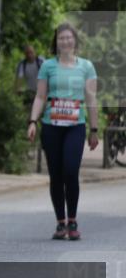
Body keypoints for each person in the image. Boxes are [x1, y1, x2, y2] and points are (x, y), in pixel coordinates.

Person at [27, 23, 100, 241]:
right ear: (56, 43)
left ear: (75, 41)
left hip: (75, 127)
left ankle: (73, 220)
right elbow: (40, 97)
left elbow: (91, 99)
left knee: (70, 171)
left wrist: (94, 129)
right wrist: (32, 121)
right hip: (51, 126)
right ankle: (61, 222)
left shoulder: (86, 66)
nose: (65, 41)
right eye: (61, 38)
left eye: (68, 38)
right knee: (56, 175)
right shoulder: (47, 66)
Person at [15, 45, 44, 112]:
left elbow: (48, 73)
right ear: (25, 54)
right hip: (30, 91)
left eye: (31, 52)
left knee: (41, 111)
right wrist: (18, 88)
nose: (29, 55)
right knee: (27, 111)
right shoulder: (23, 64)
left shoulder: (40, 61)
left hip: (42, 91)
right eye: (27, 53)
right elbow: (20, 77)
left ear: (35, 52)